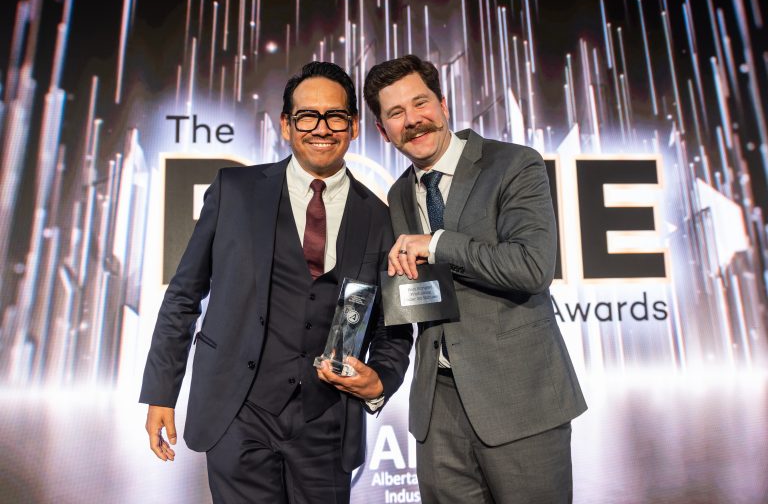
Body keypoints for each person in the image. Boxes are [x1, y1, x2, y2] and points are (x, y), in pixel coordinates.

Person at [140, 61, 412, 504]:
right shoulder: (235, 190)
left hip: (328, 421)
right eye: (307, 116)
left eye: (335, 116)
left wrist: (381, 378)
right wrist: (161, 393)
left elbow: (393, 325)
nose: (321, 128)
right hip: (237, 413)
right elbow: (184, 296)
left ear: (353, 126)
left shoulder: (380, 218)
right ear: (286, 125)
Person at [363, 55, 587, 503]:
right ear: (383, 131)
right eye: (396, 113)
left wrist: (437, 244)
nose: (413, 120)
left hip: (520, 400)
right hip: (437, 410)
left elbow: (532, 267)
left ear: (443, 104)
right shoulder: (399, 193)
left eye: (420, 102)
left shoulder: (513, 164)